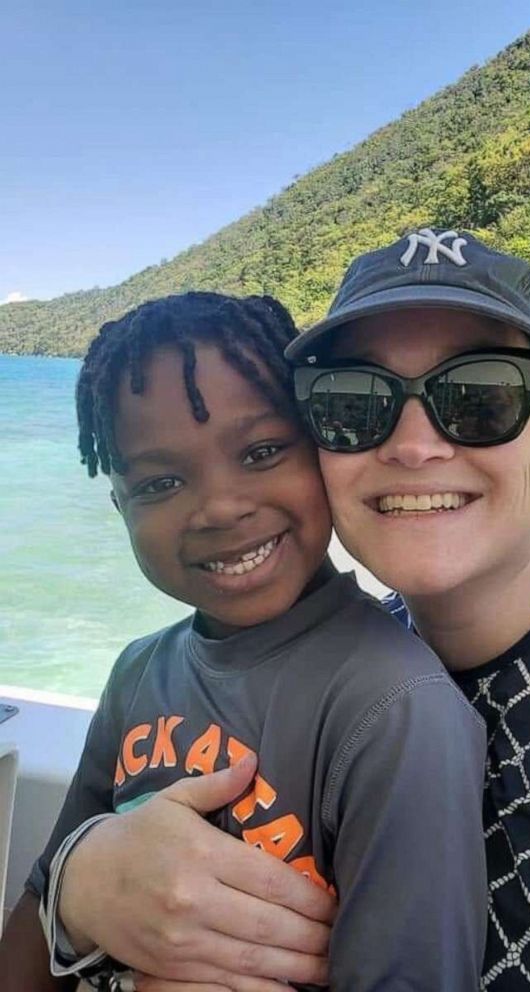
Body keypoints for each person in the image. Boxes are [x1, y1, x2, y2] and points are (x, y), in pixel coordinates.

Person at [23, 230, 530, 991]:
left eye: (480, 398)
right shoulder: (368, 640)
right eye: (354, 403)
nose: (413, 445)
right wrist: (78, 883)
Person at [0, 290, 488, 991]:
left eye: (262, 451)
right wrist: (73, 910)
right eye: (161, 481)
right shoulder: (138, 672)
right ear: (120, 506)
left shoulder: (398, 712)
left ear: (323, 446)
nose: (221, 507)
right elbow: (44, 907)